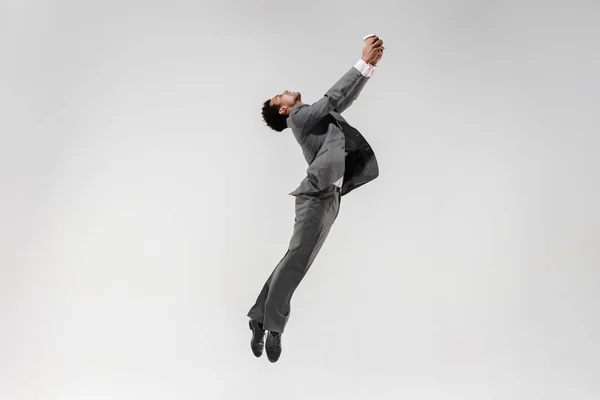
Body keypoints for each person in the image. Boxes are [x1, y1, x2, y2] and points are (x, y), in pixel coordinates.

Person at [247, 34, 385, 362]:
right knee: (297, 261)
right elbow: (332, 97)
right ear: (283, 109)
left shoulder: (317, 119)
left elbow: (342, 101)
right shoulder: (298, 116)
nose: (285, 90)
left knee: (297, 260)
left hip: (330, 197)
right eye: (280, 95)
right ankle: (274, 326)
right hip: (315, 194)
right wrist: (362, 61)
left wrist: (369, 69)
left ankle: (259, 316)